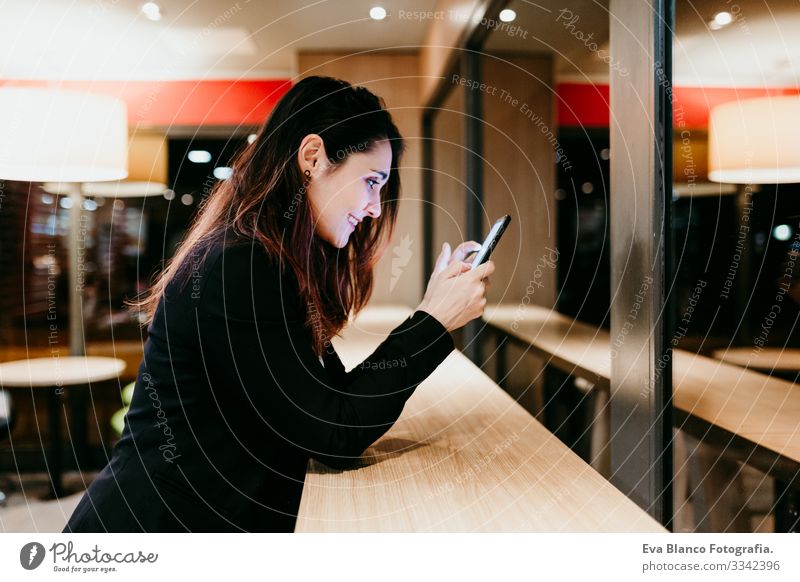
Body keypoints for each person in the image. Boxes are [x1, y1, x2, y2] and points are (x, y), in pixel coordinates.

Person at [64, 76, 494, 533]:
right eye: (371, 181)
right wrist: (433, 321)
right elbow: (335, 433)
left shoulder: (270, 260)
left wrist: (430, 316)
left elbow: (329, 405)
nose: (374, 207)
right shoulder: (242, 265)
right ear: (312, 158)